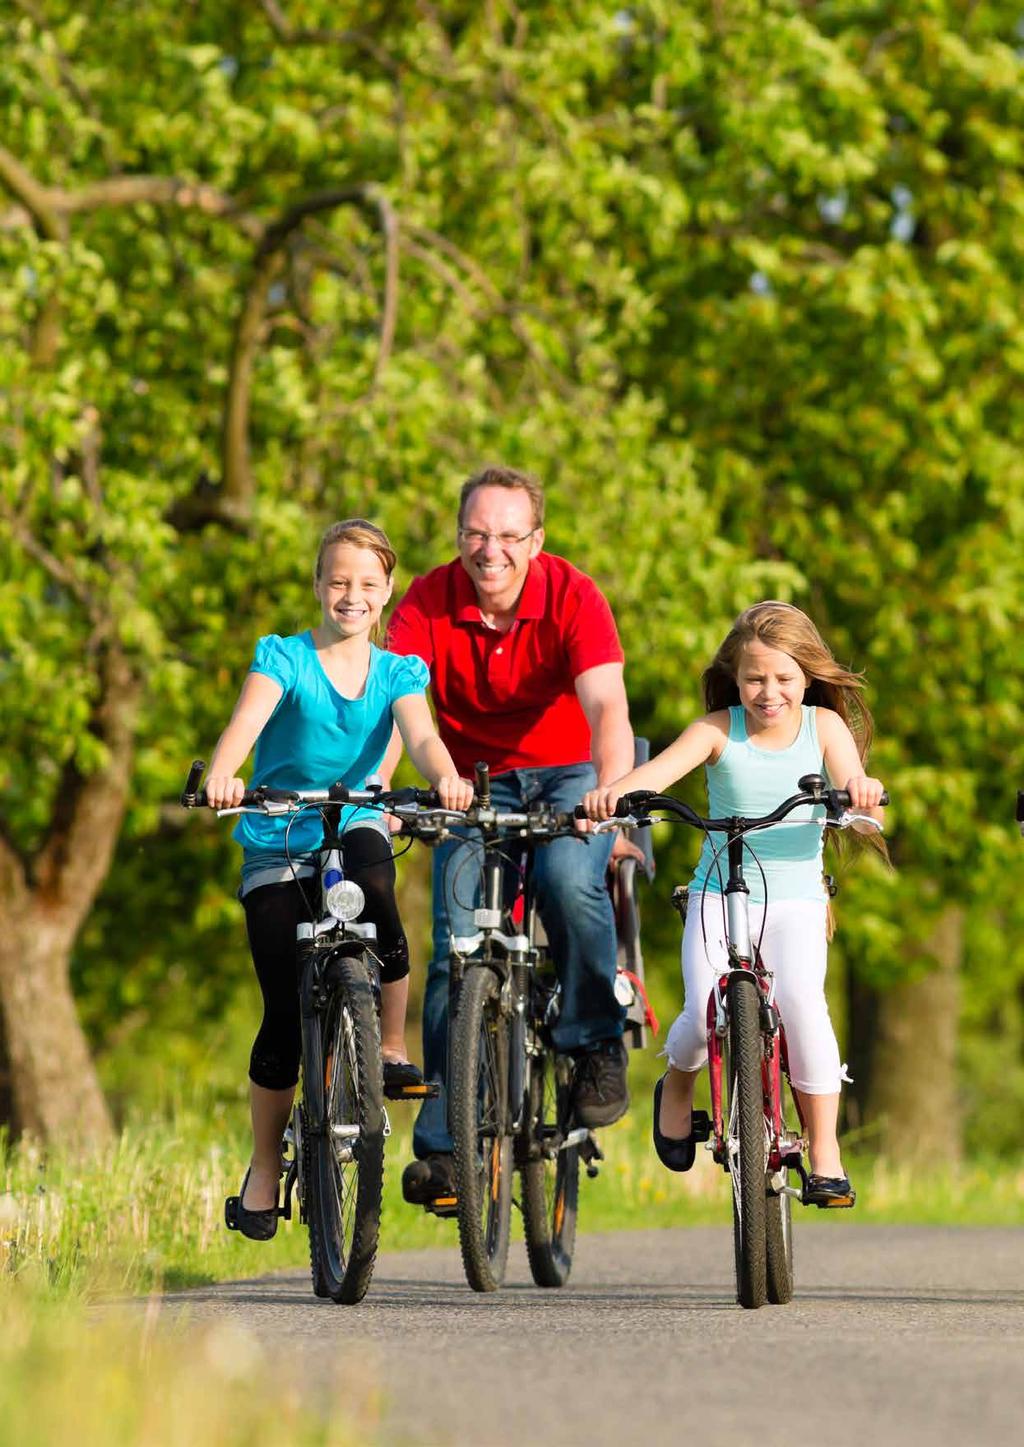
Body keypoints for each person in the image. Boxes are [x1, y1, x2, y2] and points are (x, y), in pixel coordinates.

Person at [204, 519, 473, 1240]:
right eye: (337, 581)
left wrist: (443, 775)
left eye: (366, 583)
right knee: (283, 1015)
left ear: (386, 591)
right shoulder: (283, 657)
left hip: (354, 814)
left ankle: (387, 1043)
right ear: (319, 585)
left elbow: (419, 734)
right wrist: (226, 773)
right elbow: (246, 722)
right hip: (278, 831)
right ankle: (265, 1166)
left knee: (379, 896)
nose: (350, 595)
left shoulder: (397, 671)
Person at [386, 465, 635, 1207]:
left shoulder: (574, 594)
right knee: (455, 946)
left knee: (565, 879)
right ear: (458, 535)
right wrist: (394, 789)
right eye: (474, 533)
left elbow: (608, 707)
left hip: (569, 772)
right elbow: (400, 705)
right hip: (468, 778)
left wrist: (611, 793)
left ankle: (594, 1040)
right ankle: (446, 1151)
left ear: (536, 540)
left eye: (506, 535)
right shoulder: (428, 599)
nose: (488, 550)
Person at [583, 600, 885, 1208]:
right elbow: (658, 776)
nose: (768, 692)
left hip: (796, 898)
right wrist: (611, 797)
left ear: (807, 677)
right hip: (718, 894)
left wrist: (861, 795)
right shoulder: (717, 729)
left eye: (783, 678)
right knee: (700, 1009)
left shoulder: (823, 728)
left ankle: (824, 1151)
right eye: (754, 679)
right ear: (735, 677)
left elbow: (856, 788)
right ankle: (676, 1089)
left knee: (803, 1006)